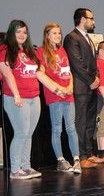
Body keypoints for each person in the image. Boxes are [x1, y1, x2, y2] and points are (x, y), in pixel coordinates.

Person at [0, 20, 61, 179]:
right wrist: (16, 95)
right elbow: (7, 73)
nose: (22, 35)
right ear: (12, 33)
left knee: (29, 133)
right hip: (17, 97)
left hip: (34, 96)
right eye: (18, 31)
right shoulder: (4, 49)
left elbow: (38, 71)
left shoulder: (28, 51)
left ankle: (26, 167)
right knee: (21, 132)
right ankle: (15, 170)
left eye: (24, 32)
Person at [36, 23, 81, 173]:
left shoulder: (62, 50)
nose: (57, 36)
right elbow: (41, 74)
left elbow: (68, 73)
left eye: (59, 33)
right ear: (47, 35)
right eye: (54, 33)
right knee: (57, 129)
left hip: (68, 94)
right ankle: (60, 160)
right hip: (55, 95)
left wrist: (70, 87)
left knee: (71, 127)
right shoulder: (42, 52)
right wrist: (58, 89)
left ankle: (76, 159)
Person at [63, 8, 104, 168]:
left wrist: (97, 78)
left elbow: (94, 62)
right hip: (81, 88)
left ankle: (89, 153)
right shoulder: (71, 38)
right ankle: (80, 157)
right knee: (80, 123)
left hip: (92, 87)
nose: (93, 21)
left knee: (90, 122)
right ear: (82, 19)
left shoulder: (87, 38)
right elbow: (77, 63)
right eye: (91, 18)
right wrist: (91, 79)